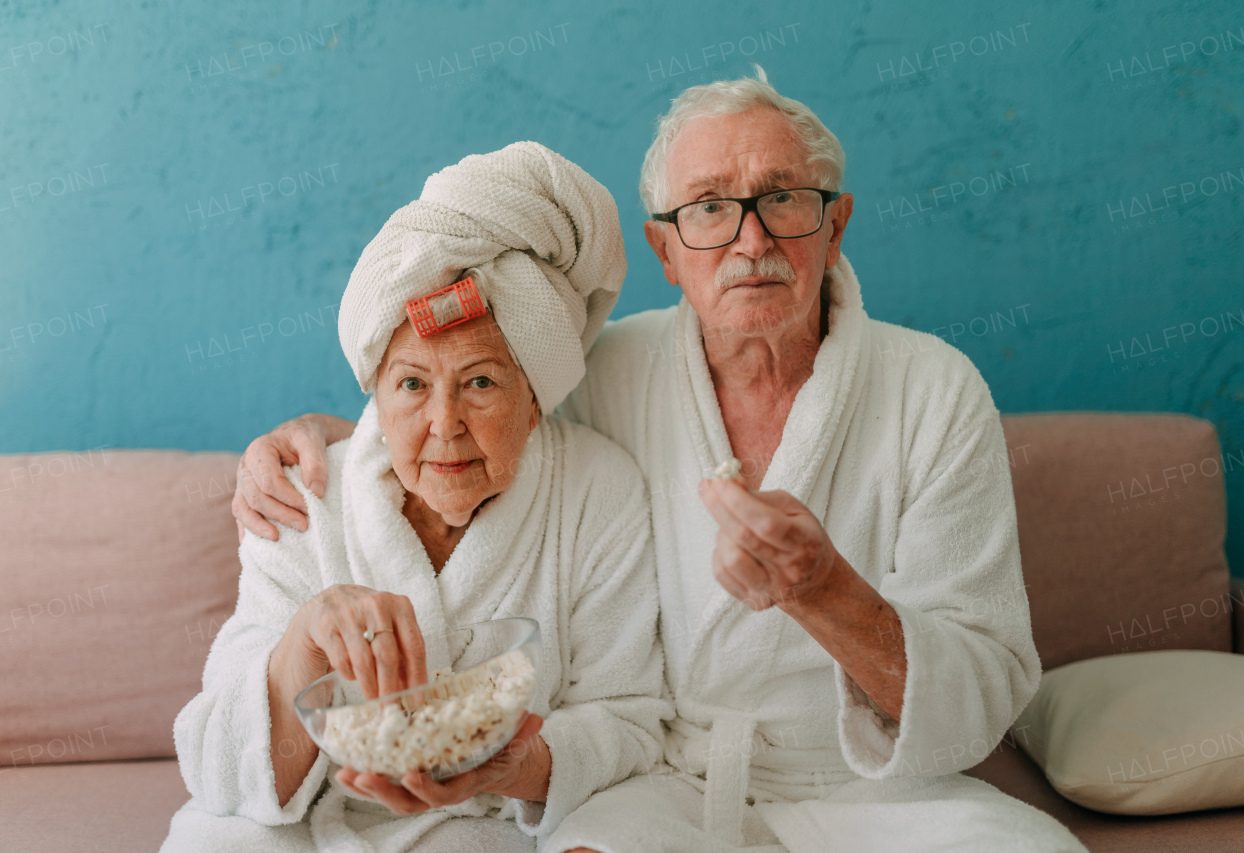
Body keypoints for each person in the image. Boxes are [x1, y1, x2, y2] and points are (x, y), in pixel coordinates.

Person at [234, 70, 1088, 852]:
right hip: (668, 785)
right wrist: (322, 436)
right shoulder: (610, 373)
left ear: (836, 225)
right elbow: (467, 407)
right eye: (709, 208)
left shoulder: (937, 392)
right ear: (665, 251)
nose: (750, 238)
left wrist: (827, 591)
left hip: (882, 792)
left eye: (783, 198)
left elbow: (984, 693)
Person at [162, 142, 667, 853]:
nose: (444, 422)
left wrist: (517, 766)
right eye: (411, 383)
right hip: (303, 823)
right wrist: (303, 647)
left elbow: (631, 719)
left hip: (478, 823)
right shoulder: (302, 494)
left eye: (482, 382)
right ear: (375, 390)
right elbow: (219, 765)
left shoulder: (597, 493)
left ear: (535, 398)